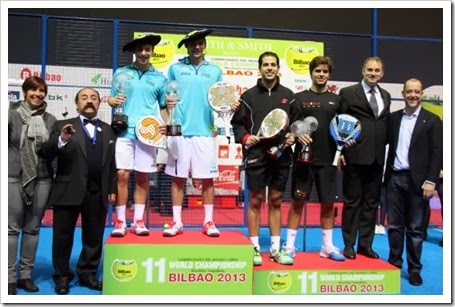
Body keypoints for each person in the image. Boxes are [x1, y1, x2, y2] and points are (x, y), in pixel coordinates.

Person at [40, 88, 117, 294]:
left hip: (97, 192)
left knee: (93, 238)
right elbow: (45, 152)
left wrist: (111, 188)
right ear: (76, 104)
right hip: (68, 190)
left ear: (99, 103)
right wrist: (62, 140)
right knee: (62, 237)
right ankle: (62, 276)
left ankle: (87, 274)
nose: (89, 101)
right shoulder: (61, 126)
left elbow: (112, 164)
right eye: (84, 98)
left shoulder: (109, 130)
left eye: (93, 98)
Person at [163, 29, 239, 237]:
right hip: (179, 131)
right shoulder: (175, 69)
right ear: (187, 46)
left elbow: (220, 98)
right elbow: (167, 97)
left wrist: (229, 105)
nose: (196, 47)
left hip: (205, 131)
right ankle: (177, 222)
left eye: (200, 43)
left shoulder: (214, 71)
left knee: (207, 178)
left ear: (204, 45)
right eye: (192, 44)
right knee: (177, 178)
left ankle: (208, 221)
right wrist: (167, 105)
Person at [231, 51, 298, 266]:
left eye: (273, 65)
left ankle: (276, 250)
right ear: (259, 68)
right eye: (266, 65)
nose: (269, 68)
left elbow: (298, 123)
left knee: (277, 201)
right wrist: (246, 136)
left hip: (281, 154)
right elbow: (237, 124)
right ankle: (254, 248)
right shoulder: (248, 96)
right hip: (256, 154)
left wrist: (292, 135)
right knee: (256, 200)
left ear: (279, 69)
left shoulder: (289, 95)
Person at [284, 56, 345, 262]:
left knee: (328, 204)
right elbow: (291, 125)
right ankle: (290, 246)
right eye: (317, 71)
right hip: (304, 160)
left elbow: (342, 129)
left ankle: (327, 246)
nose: (321, 74)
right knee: (297, 202)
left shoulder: (337, 101)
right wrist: (297, 132)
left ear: (329, 75)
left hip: (328, 161)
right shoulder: (299, 98)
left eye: (325, 71)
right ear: (311, 73)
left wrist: (342, 151)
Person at [383, 78, 442, 286]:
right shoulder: (393, 118)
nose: (413, 95)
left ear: (422, 94)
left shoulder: (433, 120)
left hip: (419, 183)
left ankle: (415, 269)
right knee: (395, 226)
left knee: (416, 229)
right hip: (394, 179)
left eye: (417, 92)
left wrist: (430, 181)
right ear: (403, 92)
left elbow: (437, 153)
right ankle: (394, 264)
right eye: (409, 91)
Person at [108, 34, 167, 237]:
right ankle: (120, 221)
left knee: (142, 177)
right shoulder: (121, 73)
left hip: (148, 134)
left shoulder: (160, 78)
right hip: (124, 131)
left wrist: (166, 126)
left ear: (152, 52)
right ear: (134, 52)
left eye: (147, 49)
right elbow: (111, 99)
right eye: (140, 49)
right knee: (122, 175)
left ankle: (138, 221)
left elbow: (164, 107)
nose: (144, 53)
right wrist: (111, 101)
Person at [338, 56, 391, 260]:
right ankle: (349, 244)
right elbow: (338, 122)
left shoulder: (385, 95)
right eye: (370, 69)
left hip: (377, 159)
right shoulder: (348, 93)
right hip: (355, 156)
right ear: (362, 70)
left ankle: (365, 245)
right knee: (352, 203)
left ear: (382, 73)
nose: (373, 73)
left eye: (377, 70)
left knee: (371, 203)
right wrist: (341, 151)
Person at [8, 76, 57, 295]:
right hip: (12, 176)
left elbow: (53, 151)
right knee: (11, 229)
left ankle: (25, 275)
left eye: (42, 91)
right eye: (33, 90)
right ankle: (8, 277)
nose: (38, 94)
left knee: (33, 228)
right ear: (25, 91)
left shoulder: (51, 119)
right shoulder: (10, 114)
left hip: (42, 178)